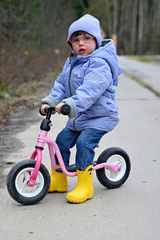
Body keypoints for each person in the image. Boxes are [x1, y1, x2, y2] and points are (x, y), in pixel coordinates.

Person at [40, 14, 123, 204]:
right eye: (76, 40)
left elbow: (89, 91)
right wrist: (50, 101)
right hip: (80, 117)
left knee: (84, 143)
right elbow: (61, 84)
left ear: (96, 40)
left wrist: (72, 104)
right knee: (61, 141)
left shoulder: (100, 63)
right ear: (71, 44)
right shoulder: (72, 62)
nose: (81, 43)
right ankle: (59, 180)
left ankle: (85, 186)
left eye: (87, 38)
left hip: (100, 116)